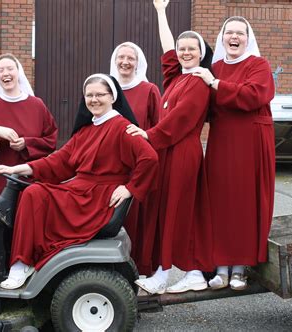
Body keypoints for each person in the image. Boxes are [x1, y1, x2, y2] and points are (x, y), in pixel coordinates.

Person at [0, 73, 159, 290]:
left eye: (100, 94)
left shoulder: (121, 126)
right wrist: (15, 169)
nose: (94, 99)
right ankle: (24, 260)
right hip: (81, 190)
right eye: (89, 95)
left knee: (34, 194)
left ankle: (22, 262)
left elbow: (150, 158)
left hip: (97, 199)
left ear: (112, 97)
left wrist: (130, 188)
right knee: (35, 192)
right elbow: (57, 162)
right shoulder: (86, 130)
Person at [130, 0, 214, 294]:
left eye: (192, 48)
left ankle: (179, 273)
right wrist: (160, 12)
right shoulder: (177, 77)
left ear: (201, 54)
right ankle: (177, 273)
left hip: (182, 152)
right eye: (183, 48)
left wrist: (147, 135)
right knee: (168, 210)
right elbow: (168, 49)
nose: (185, 52)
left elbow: (178, 122)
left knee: (178, 211)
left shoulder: (199, 83)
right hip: (168, 151)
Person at [192, 16, 276, 291]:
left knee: (244, 202)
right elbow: (200, 105)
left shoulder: (257, 65)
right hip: (222, 141)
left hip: (250, 142)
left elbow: (254, 95)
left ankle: (239, 268)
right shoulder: (214, 67)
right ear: (222, 37)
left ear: (248, 38)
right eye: (229, 32)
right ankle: (221, 267)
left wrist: (215, 84)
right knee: (219, 201)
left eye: (240, 33)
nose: (234, 37)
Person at [110, 41, 162, 275]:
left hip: (139, 167)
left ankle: (141, 271)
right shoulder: (107, 89)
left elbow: (158, 127)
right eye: (121, 57)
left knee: (139, 222)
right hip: (111, 167)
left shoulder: (149, 89)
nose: (125, 62)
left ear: (138, 63)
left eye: (130, 58)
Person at [0, 53, 58, 197]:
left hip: (31, 179)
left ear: (19, 72)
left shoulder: (37, 105)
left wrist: (27, 143)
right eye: (0, 70)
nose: (6, 73)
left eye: (10, 68)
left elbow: (51, 140)